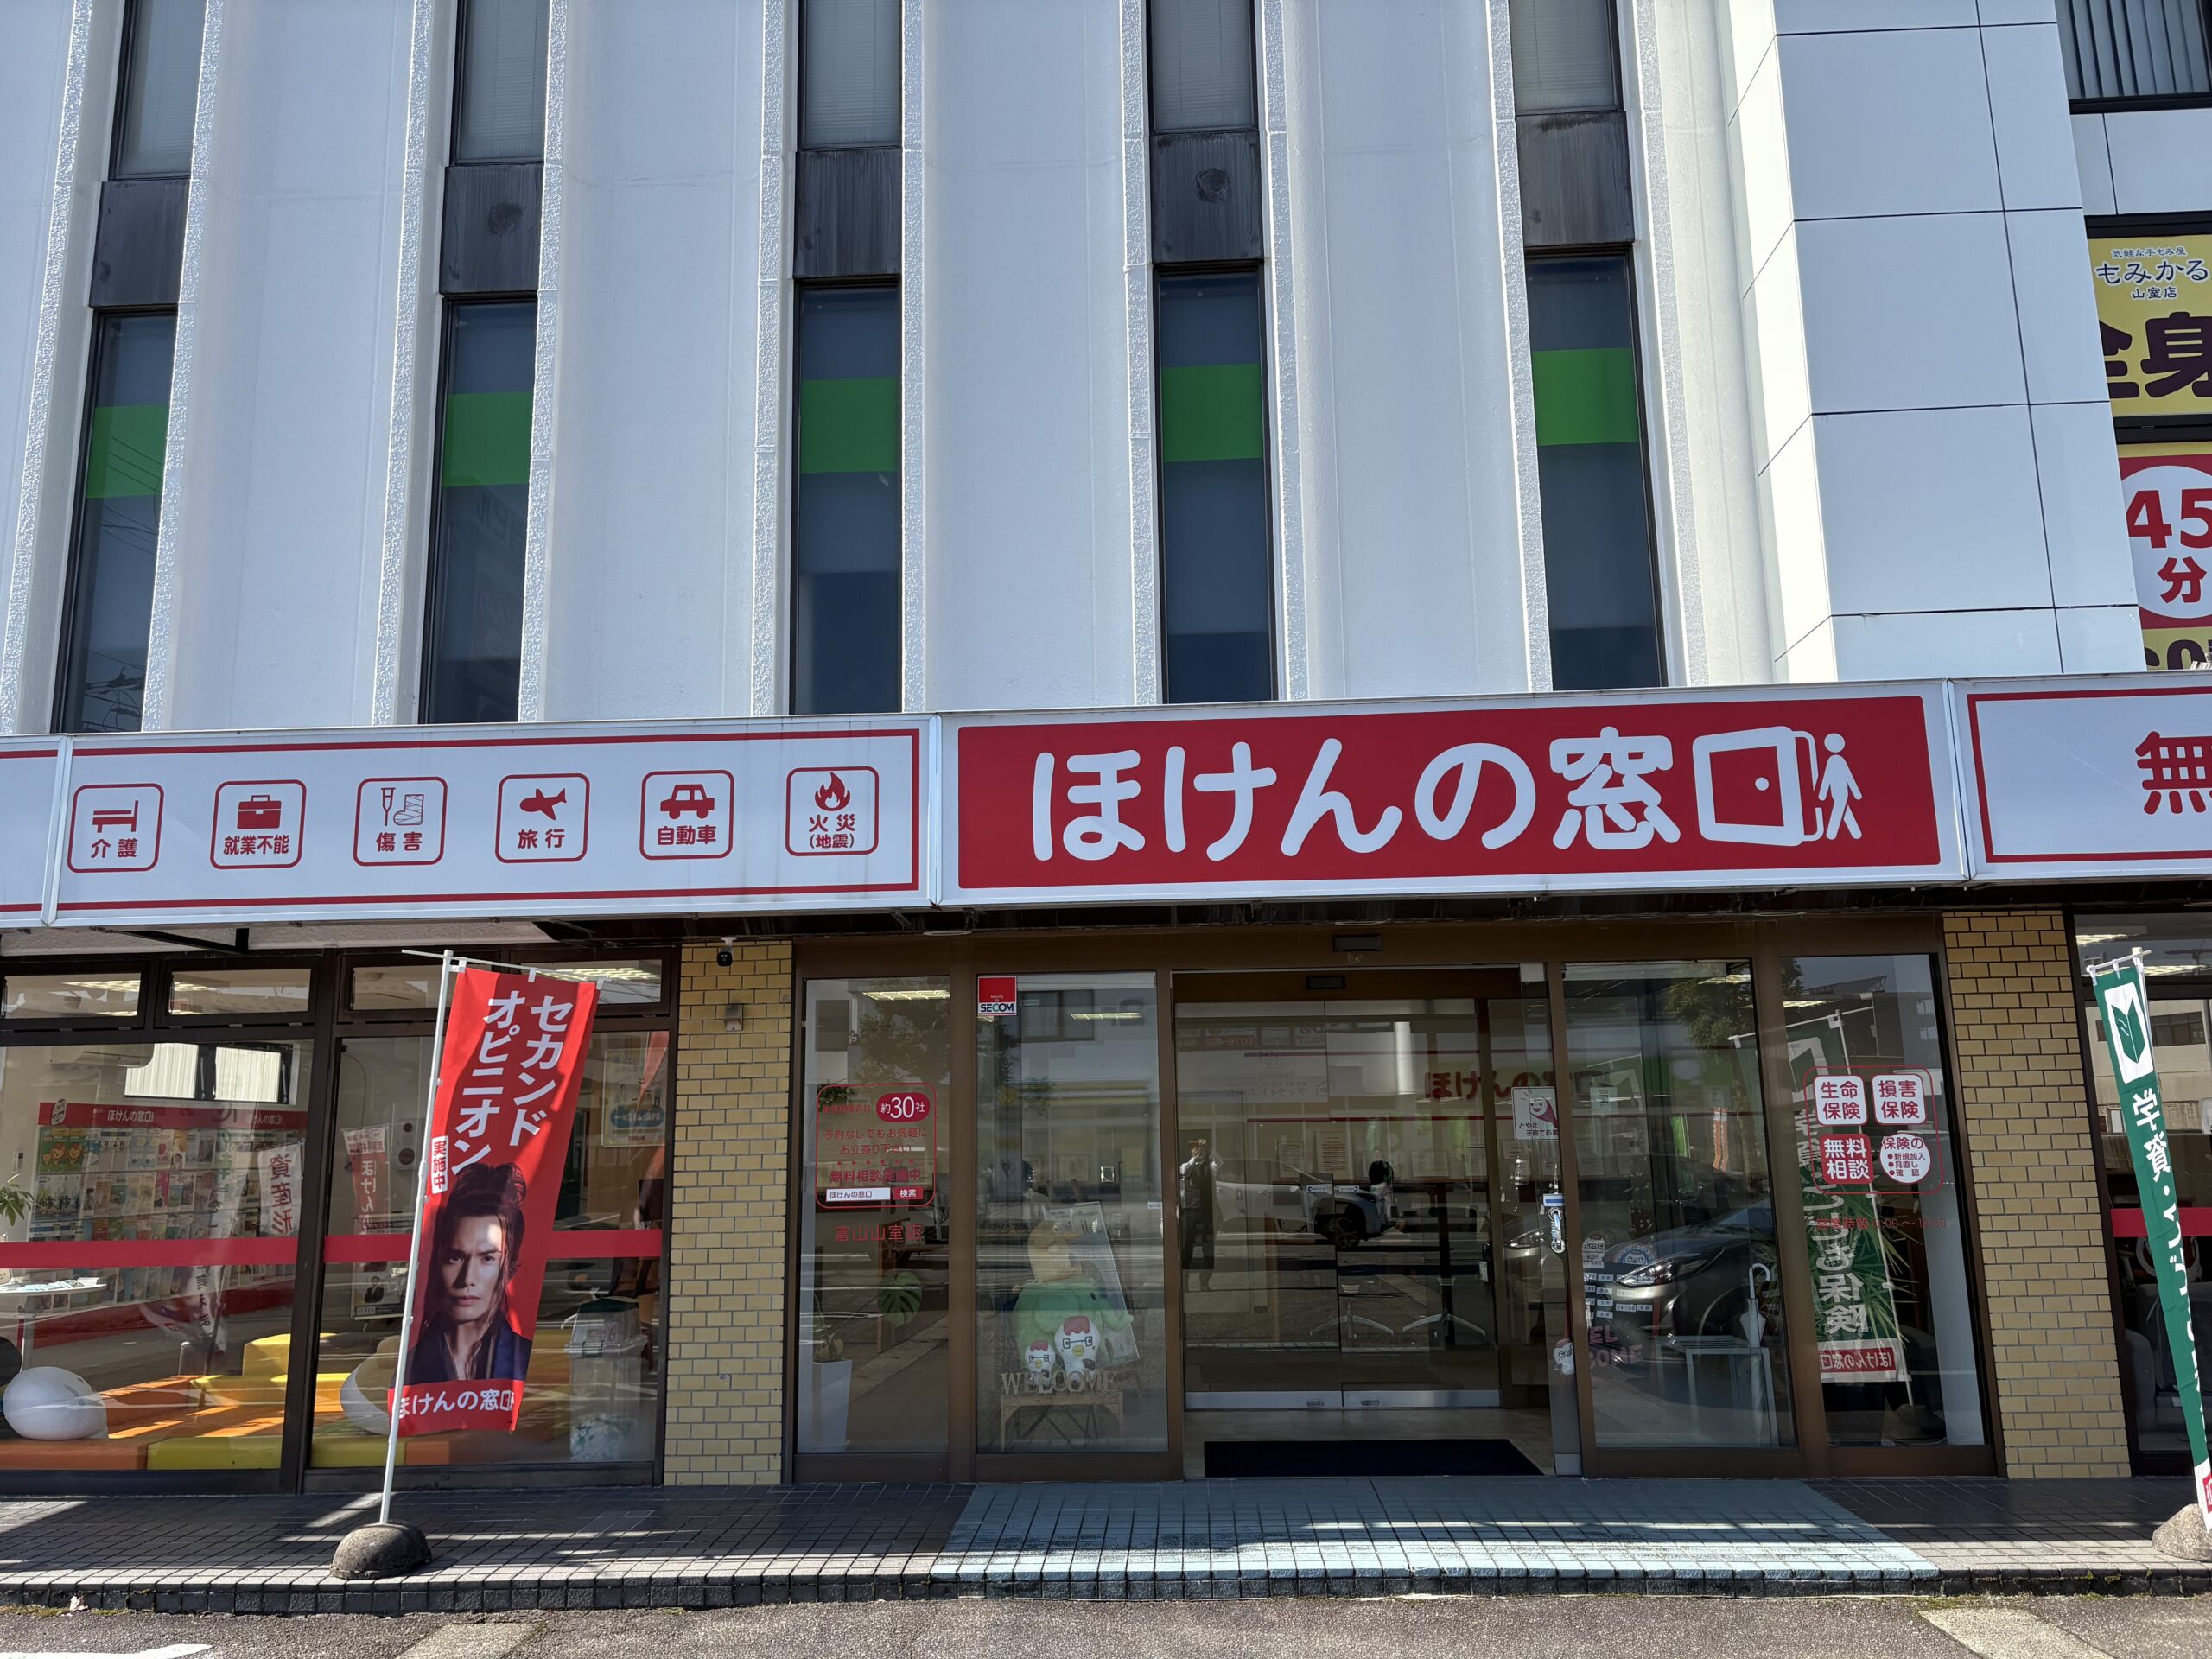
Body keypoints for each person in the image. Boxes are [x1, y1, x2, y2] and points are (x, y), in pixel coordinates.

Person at [407, 1161, 532, 1386]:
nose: (467, 1279)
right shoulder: (411, 1365)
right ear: (437, 1263)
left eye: (488, 1258)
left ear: (509, 1267)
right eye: (455, 1258)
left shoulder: (524, 1361)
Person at [1178, 1138, 1217, 1289]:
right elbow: (1184, 1171)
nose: (1199, 1152)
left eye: (1202, 1150)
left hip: (1206, 1210)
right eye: (1196, 1150)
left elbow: (1219, 1163)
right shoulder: (1186, 1165)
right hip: (1189, 1210)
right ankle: (1185, 1282)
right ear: (1191, 1152)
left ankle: (1204, 1281)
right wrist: (1194, 1159)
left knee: (1208, 1246)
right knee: (1187, 1246)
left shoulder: (1210, 1165)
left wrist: (1210, 1150)